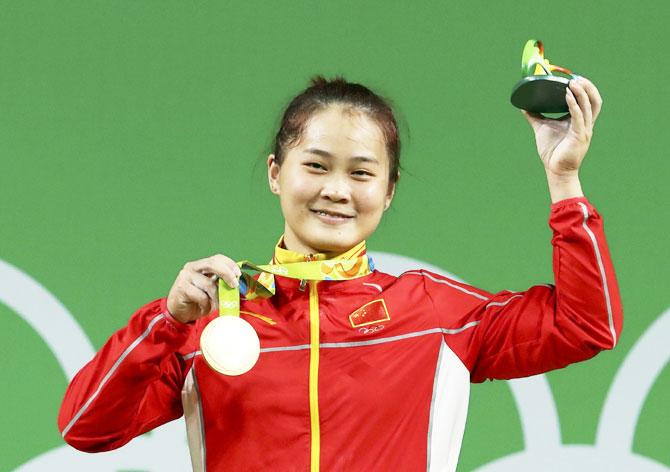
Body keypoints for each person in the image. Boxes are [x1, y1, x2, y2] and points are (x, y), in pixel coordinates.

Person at [58, 75, 622, 471]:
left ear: (388, 190)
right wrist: (165, 320)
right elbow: (86, 428)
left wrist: (564, 179)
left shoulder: (433, 313)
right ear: (277, 174)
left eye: (361, 172)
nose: (336, 190)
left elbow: (585, 324)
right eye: (316, 166)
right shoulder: (211, 321)